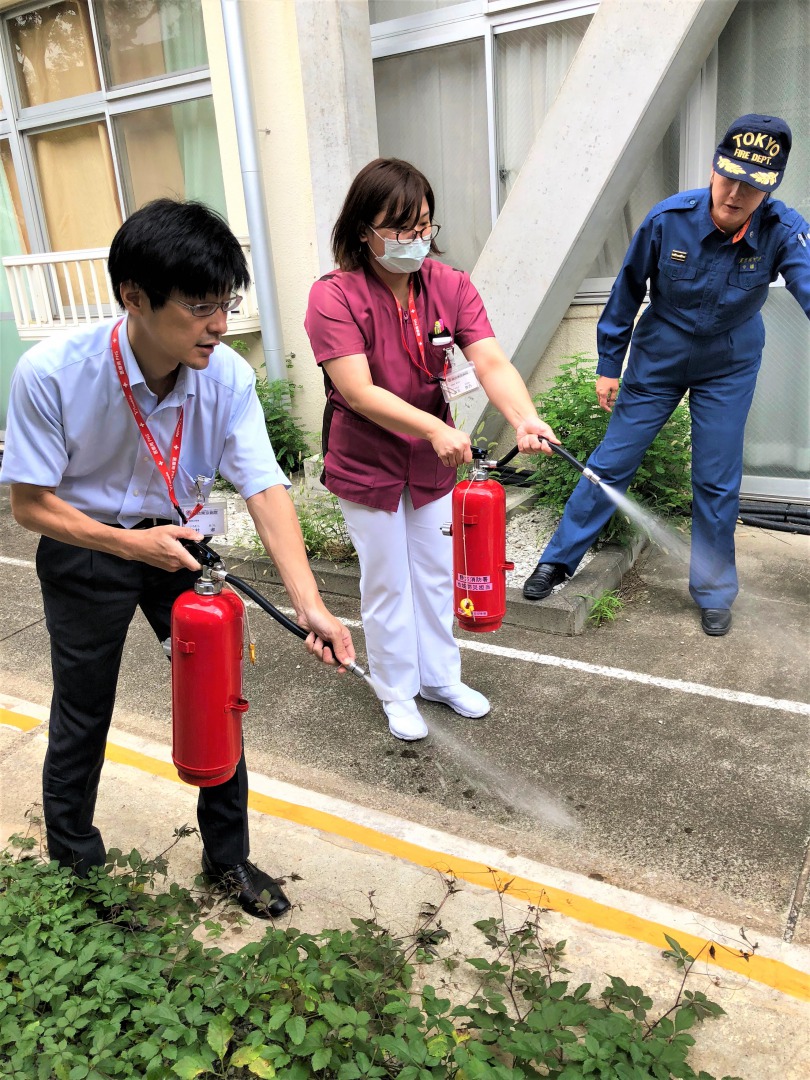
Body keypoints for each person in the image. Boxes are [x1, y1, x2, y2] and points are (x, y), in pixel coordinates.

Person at [0, 198, 356, 918]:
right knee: (84, 708)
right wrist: (127, 544)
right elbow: (30, 507)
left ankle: (228, 859)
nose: (219, 326)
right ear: (134, 296)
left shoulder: (226, 377)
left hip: (183, 546)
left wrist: (310, 604)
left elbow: (263, 486)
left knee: (218, 698)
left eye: (224, 304)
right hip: (86, 544)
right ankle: (77, 866)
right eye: (199, 307)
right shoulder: (52, 373)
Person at [523, 114, 810, 636]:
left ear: (770, 189)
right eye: (730, 177)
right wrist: (610, 364)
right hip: (661, 353)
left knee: (716, 478)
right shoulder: (667, 219)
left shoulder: (785, 231)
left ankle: (714, 590)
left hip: (730, 359)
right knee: (613, 460)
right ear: (714, 168)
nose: (736, 193)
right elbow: (627, 290)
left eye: (753, 186)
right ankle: (558, 561)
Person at [304, 158, 557, 742]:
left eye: (424, 227)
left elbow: (489, 359)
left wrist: (525, 417)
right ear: (363, 229)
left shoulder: (450, 285)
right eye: (400, 229)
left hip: (429, 463)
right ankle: (396, 689)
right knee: (388, 580)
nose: (416, 241)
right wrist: (436, 429)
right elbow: (358, 391)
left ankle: (441, 677)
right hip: (369, 462)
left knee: (438, 573)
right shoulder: (334, 296)